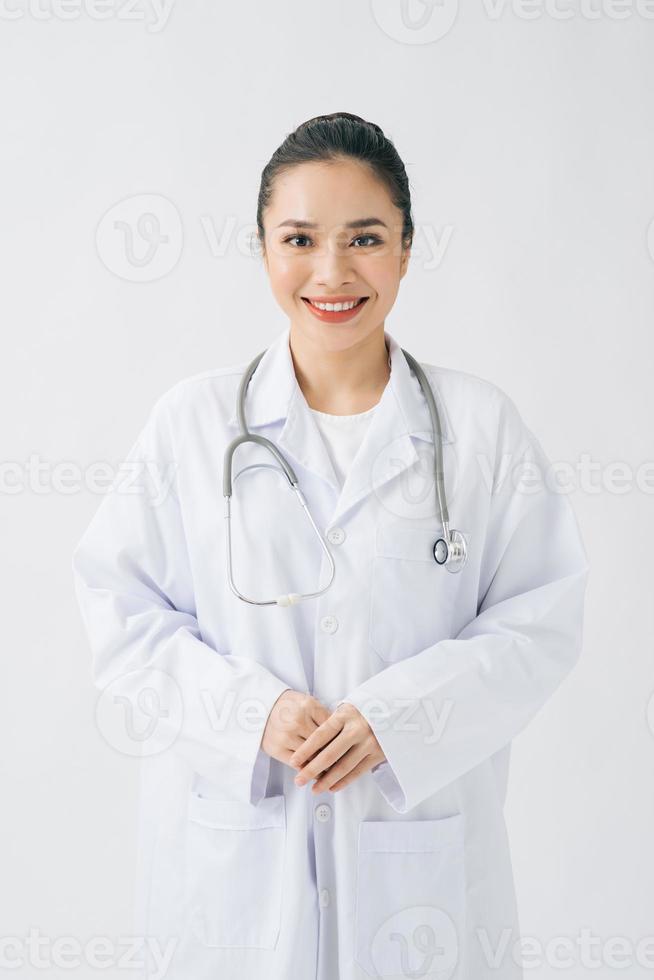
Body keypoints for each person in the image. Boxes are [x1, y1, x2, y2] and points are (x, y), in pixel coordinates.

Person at [72, 112, 590, 980]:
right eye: (300, 238)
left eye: (366, 238)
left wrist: (401, 719)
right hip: (238, 866)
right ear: (263, 247)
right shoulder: (192, 426)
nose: (332, 272)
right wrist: (251, 715)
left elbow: (541, 623)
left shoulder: (478, 428)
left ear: (407, 248)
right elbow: (120, 614)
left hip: (416, 870)